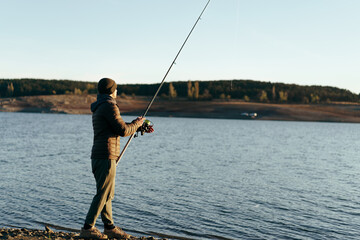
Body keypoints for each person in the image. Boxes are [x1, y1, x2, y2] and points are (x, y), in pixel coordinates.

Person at [80, 78, 151, 239]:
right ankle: (87, 227)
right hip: (106, 155)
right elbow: (123, 130)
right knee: (103, 193)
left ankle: (109, 227)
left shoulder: (101, 106)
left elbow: (116, 125)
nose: (117, 92)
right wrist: (137, 124)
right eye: (116, 89)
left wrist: (135, 124)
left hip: (101, 155)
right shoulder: (110, 105)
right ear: (112, 91)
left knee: (107, 193)